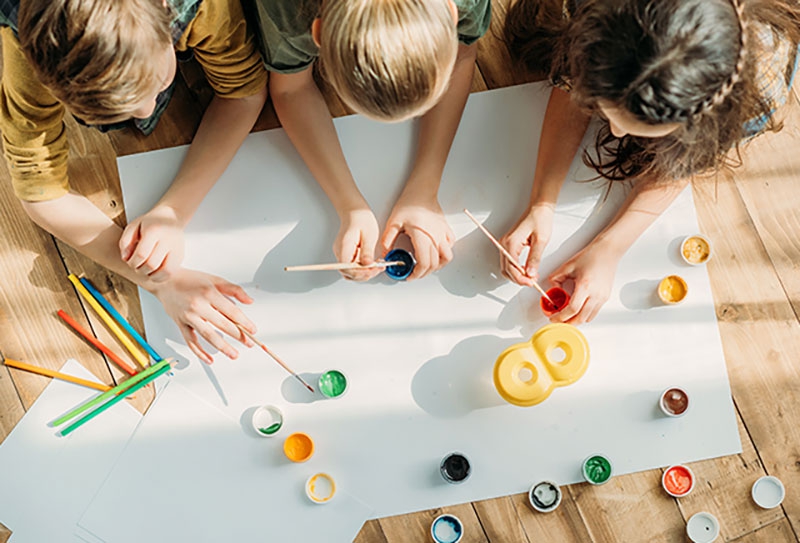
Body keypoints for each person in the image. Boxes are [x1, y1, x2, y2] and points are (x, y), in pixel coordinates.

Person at [500, 0, 800, 324]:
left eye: (633, 125)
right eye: (602, 107)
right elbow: (571, 83)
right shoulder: (600, 14)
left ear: (702, 120)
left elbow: (684, 163)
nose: (613, 132)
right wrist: (542, 202)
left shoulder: (758, 91)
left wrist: (610, 248)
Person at [2, 0, 269, 363]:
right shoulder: (29, 49)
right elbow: (39, 189)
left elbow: (244, 92)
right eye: (118, 110)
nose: (146, 112)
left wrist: (174, 212)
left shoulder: (204, 8)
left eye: (157, 83)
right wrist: (160, 281)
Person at [248, 0, 490, 280]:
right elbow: (291, 89)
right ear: (318, 35)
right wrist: (348, 204)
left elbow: (462, 55)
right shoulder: (285, 9)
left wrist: (425, 187)